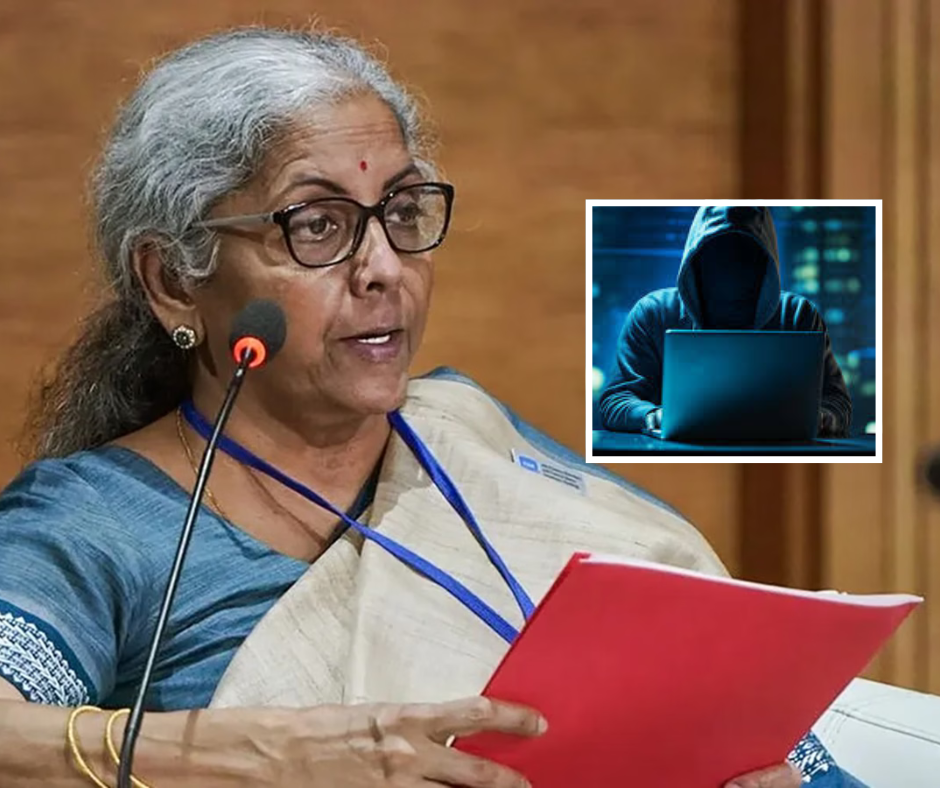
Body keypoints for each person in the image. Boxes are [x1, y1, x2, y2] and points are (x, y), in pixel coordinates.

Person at [0, 27, 860, 788]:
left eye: (403, 211)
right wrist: (263, 757)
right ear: (172, 281)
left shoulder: (473, 453)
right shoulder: (98, 523)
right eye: (317, 225)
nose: (383, 268)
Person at [598, 206, 854, 436]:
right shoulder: (654, 313)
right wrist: (655, 417)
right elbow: (615, 401)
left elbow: (838, 405)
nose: (731, 269)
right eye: (719, 253)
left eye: (744, 255)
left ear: (765, 262)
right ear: (696, 259)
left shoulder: (798, 315)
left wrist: (818, 419)